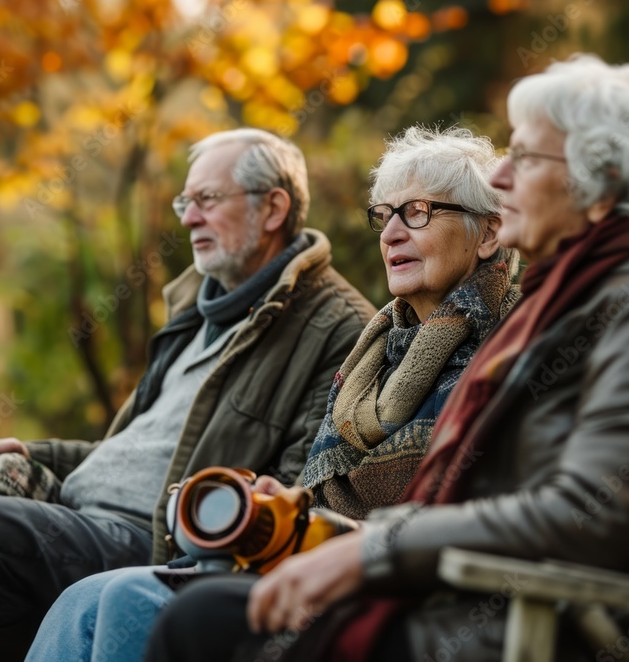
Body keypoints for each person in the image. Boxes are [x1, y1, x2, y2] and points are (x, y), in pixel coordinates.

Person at [143, 55, 629, 662]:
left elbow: (584, 512)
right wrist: (343, 538)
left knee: (202, 621)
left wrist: (372, 552)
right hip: (508, 604)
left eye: (524, 158)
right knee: (208, 603)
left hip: (569, 628)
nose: (499, 179)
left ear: (598, 184)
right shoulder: (576, 300)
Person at [25, 125, 521, 662]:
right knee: (84, 598)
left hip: (402, 586)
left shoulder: (505, 345)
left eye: (418, 212)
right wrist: (283, 502)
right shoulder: (376, 351)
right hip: (316, 555)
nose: (392, 233)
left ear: (489, 234)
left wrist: (323, 533)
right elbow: (316, 492)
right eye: (384, 215)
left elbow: (471, 510)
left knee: (128, 596)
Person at [0, 128, 376, 661]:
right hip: (85, 515)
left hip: (161, 538)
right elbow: (134, 447)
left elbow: (299, 485)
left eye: (207, 199)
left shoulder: (338, 328)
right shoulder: (195, 314)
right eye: (185, 200)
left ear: (273, 208)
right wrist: (33, 455)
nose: (187, 217)